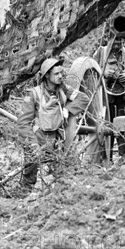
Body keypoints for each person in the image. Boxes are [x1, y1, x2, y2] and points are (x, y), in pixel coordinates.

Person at [16, 57, 89, 193]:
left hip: (57, 139)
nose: (61, 76)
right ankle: (24, 196)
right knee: (29, 174)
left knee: (62, 172)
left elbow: (83, 98)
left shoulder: (63, 90)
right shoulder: (33, 94)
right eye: (56, 74)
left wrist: (67, 109)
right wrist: (33, 144)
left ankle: (59, 196)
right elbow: (23, 123)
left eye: (62, 73)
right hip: (38, 138)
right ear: (47, 76)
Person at [93, 37, 125, 163]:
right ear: (109, 40)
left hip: (123, 94)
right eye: (115, 42)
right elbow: (92, 69)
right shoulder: (101, 52)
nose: (117, 45)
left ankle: (122, 157)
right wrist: (104, 73)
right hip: (106, 94)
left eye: (120, 42)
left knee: (122, 124)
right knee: (108, 124)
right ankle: (108, 157)